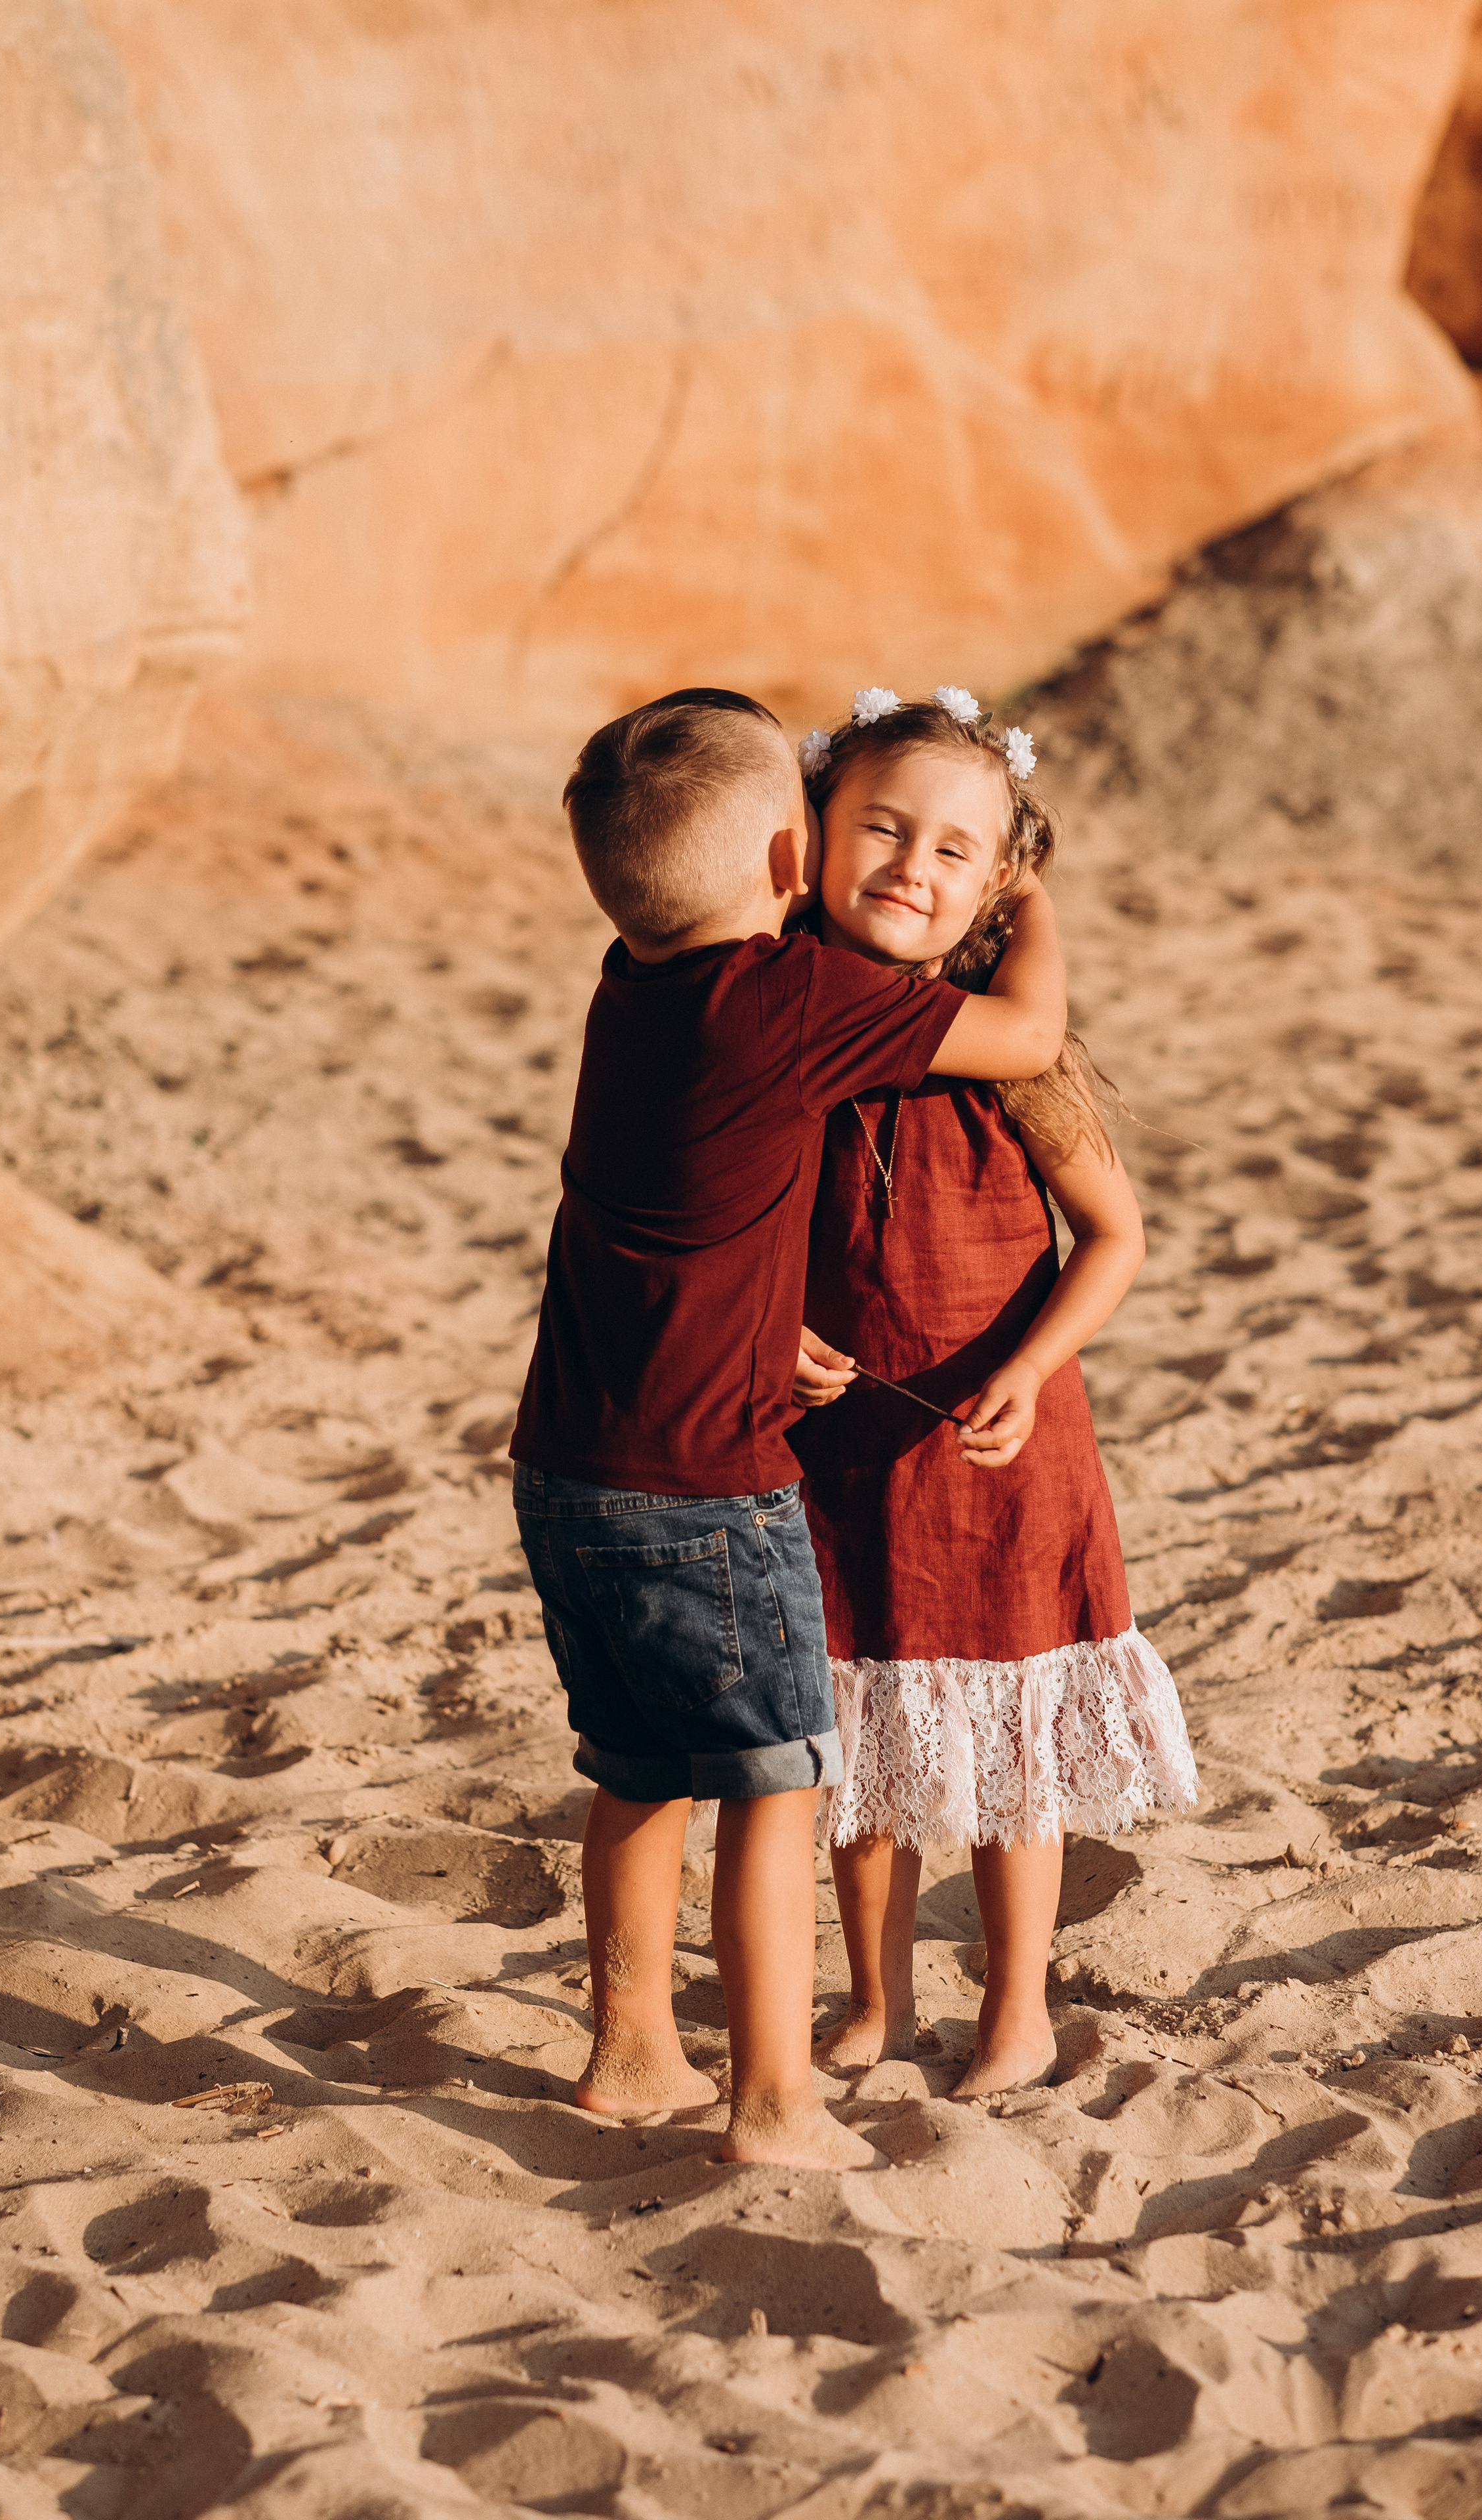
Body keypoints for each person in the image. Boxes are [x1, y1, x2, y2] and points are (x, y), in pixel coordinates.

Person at [510, 686, 1069, 2167]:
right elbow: (1023, 1037)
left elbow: (686, 1223)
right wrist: (1019, 895)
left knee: (631, 1770)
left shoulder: (628, 986)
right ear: (786, 859)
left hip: (568, 1466)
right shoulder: (789, 999)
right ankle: (773, 2099)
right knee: (777, 1780)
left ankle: (631, 2051)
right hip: (708, 1486)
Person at [788, 689, 1197, 2098]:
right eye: (883, 829)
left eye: (956, 850)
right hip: (835, 1443)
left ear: (998, 886)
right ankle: (874, 2003)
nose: (913, 865)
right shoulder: (779, 1019)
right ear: (813, 833)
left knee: (1008, 1741)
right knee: (863, 1734)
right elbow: (725, 1219)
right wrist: (768, 1324)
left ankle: (1016, 2007)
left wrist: (1024, 1369)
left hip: (1000, 1439)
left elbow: (1115, 1234)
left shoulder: (1005, 1045)